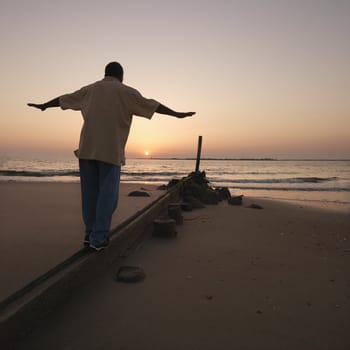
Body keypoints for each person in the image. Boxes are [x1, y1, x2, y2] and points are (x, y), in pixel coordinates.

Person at [28, 61, 195, 251]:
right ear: (121, 76)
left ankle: (89, 234)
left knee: (89, 196)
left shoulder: (90, 89)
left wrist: (44, 105)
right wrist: (177, 114)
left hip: (87, 149)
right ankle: (98, 239)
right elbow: (153, 105)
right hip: (110, 151)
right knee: (107, 198)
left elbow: (63, 99)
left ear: (105, 73)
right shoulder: (127, 92)